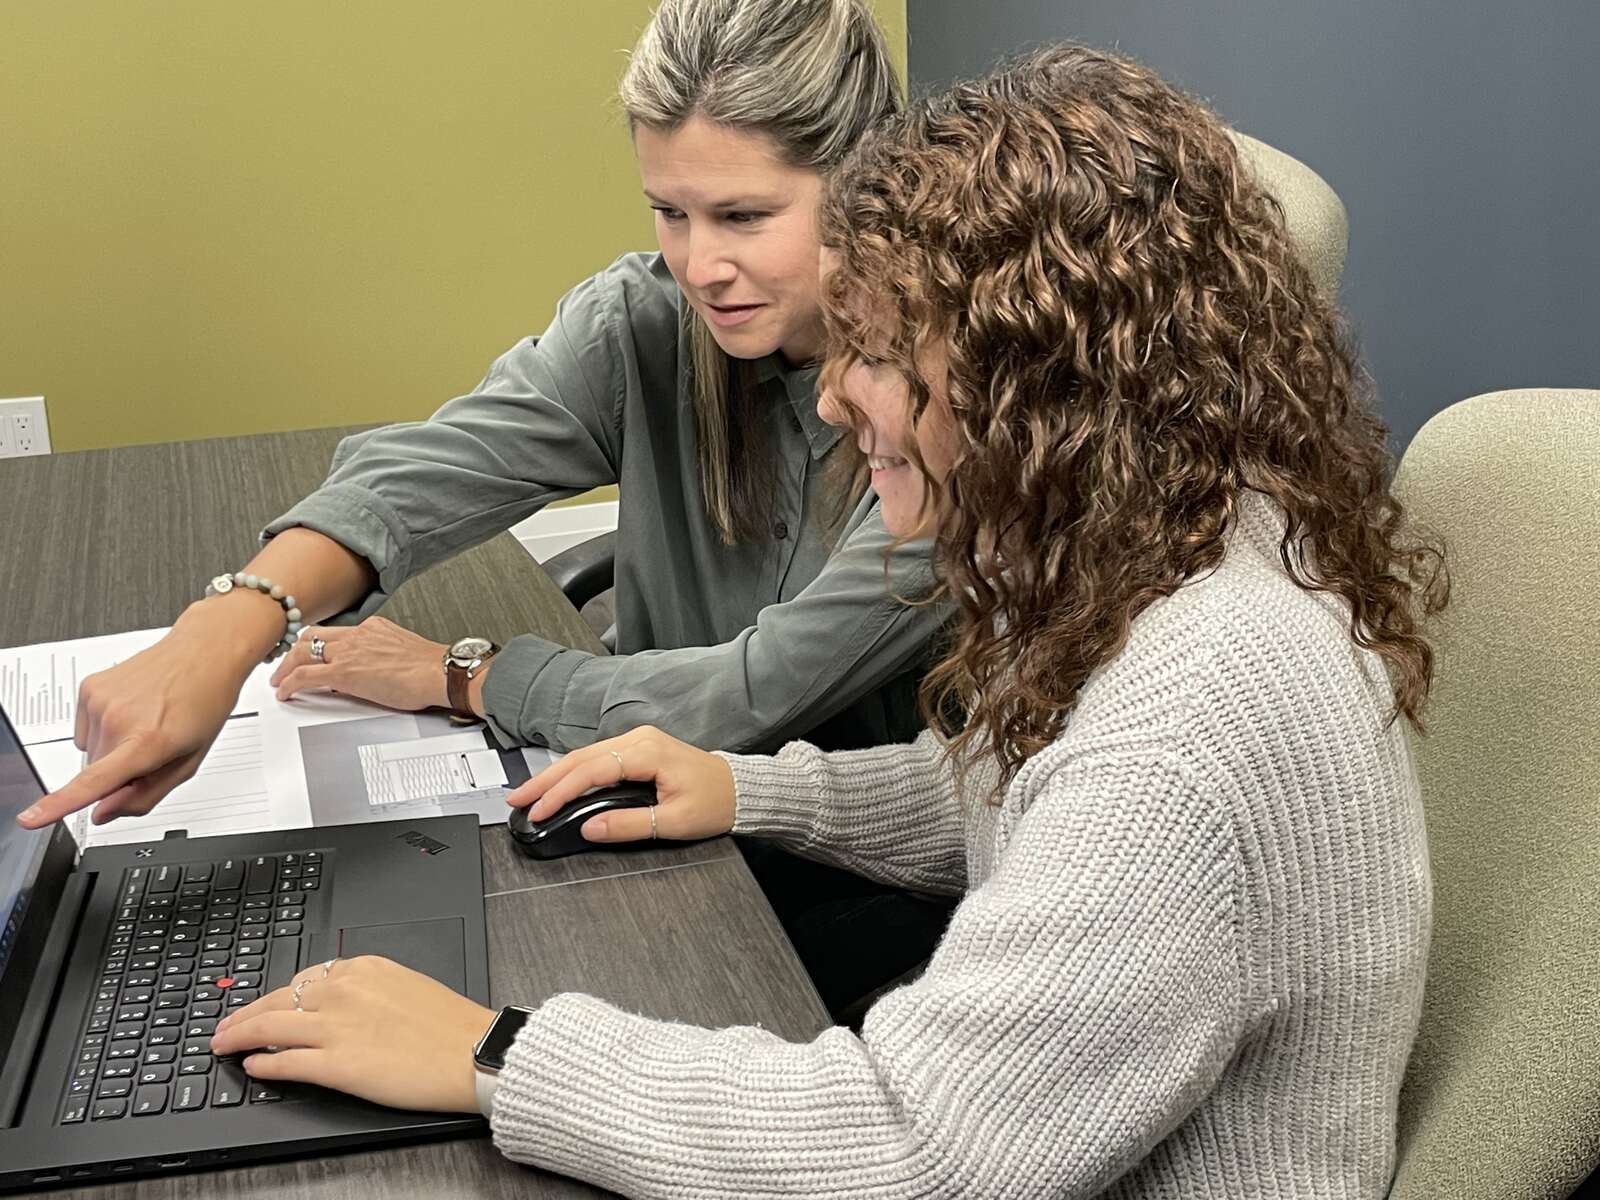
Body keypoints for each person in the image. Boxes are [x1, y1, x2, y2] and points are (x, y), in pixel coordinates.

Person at [208, 43, 1449, 1197]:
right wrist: (755, 796)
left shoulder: (1182, 724)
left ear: (1044, 386)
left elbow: (913, 1146)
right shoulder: (1176, 528)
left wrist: (492, 1058)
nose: (840, 401)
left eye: (880, 355)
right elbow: (1024, 799)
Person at [16, 0, 958, 1015]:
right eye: (668, 210)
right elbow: (430, 469)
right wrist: (228, 623)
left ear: (870, 189)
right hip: (632, 791)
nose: (699, 264)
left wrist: (460, 676)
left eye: (742, 216)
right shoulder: (646, 319)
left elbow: (749, 695)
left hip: (828, 858)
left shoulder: (946, 413)